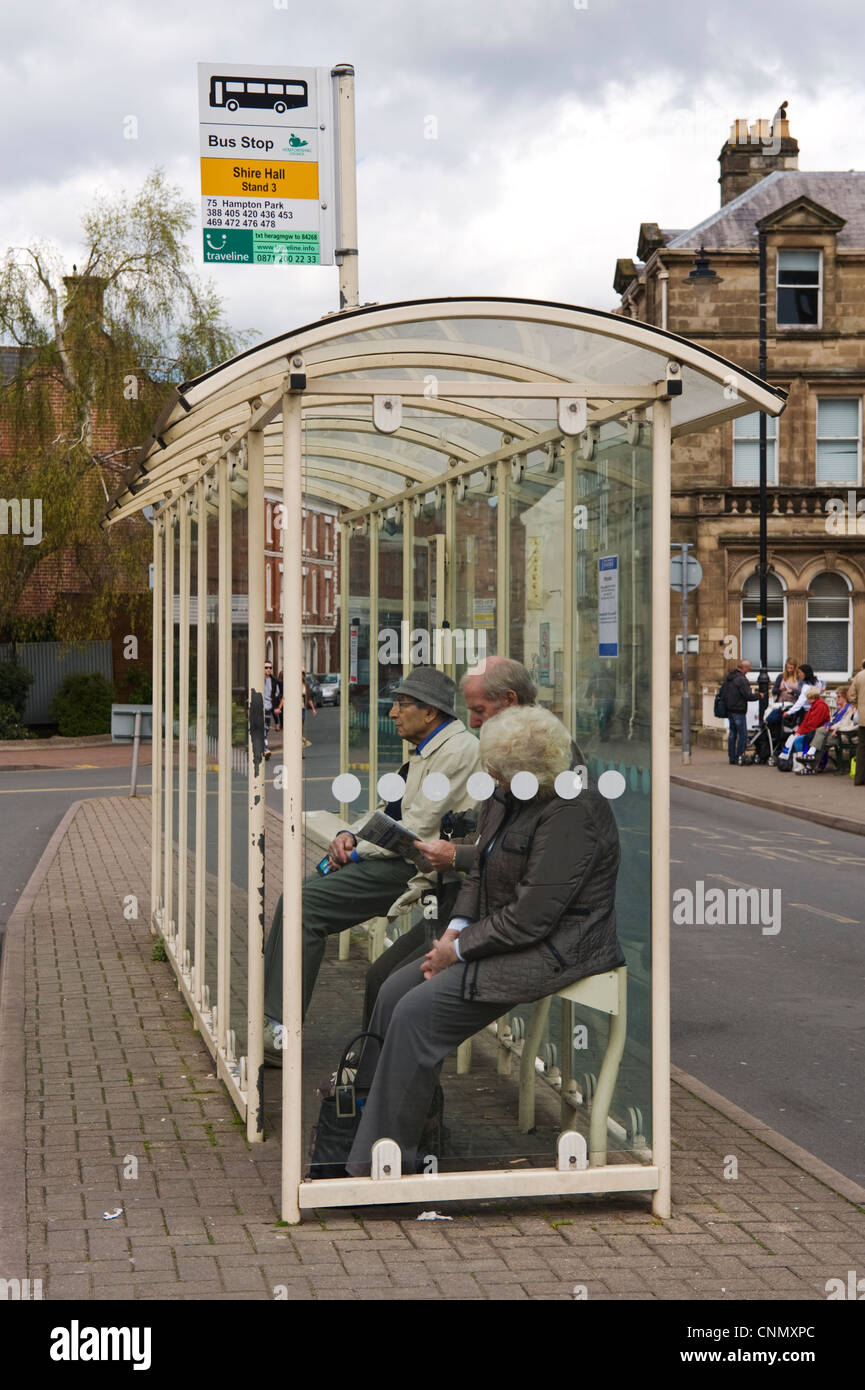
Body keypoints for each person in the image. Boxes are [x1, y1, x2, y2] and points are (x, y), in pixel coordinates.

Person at [343, 704, 624, 1178]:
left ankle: (382, 1162)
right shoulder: (507, 794)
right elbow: (479, 872)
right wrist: (452, 935)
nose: (487, 778)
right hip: (501, 934)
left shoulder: (573, 812)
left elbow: (533, 919)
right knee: (394, 990)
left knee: (416, 1011)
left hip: (558, 946)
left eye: (497, 772)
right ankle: (368, 1131)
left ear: (530, 774)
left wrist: (459, 949)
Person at [262, 667, 481, 1053]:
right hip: (402, 859)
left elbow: (418, 825)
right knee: (296, 898)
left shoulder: (458, 752)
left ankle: (281, 1029)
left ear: (429, 712)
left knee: (306, 906)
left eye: (401, 704)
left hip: (420, 869)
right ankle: (275, 1020)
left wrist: (358, 849)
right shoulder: (429, 749)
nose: (393, 713)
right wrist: (348, 836)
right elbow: (388, 808)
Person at [360, 656, 539, 1024]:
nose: (471, 721)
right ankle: (373, 1079)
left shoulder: (539, 762)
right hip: (470, 905)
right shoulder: (497, 755)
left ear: (509, 701)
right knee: (385, 979)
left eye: (477, 710)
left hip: (506, 919)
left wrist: (457, 857)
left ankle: (379, 1079)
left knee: (401, 991)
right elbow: (491, 844)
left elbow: (525, 861)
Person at [802, 685, 857, 770]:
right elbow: (832, 720)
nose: (837, 699)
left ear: (845, 697)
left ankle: (809, 763)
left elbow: (846, 723)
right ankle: (810, 763)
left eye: (839, 697)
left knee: (822, 738)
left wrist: (834, 728)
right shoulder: (839, 709)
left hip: (843, 734)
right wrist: (829, 726)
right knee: (822, 738)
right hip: (834, 733)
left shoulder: (849, 708)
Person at [719, 659, 760, 764]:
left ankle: (732, 757)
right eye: (749, 667)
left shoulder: (729, 677)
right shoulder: (742, 679)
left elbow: (722, 692)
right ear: (744, 667)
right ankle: (740, 757)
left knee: (732, 733)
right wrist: (759, 695)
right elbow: (747, 695)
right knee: (743, 734)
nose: (750, 670)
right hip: (738, 710)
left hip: (729, 709)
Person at [786, 687, 830, 763]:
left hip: (816, 732)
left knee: (800, 740)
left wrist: (801, 732)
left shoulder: (820, 706)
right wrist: (799, 732)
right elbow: (806, 722)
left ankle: (802, 761)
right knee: (798, 740)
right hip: (812, 730)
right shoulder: (814, 706)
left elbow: (814, 723)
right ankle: (800, 761)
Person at [846, 660, 865, 786]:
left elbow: (851, 695)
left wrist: (856, 705)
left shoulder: (859, 676)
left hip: (863, 717)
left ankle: (859, 778)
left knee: (862, 747)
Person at [263, 660, 276, 759]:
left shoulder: (273, 681)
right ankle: (265, 748)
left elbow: (276, 694)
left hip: (268, 708)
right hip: (260, 709)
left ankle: (263, 748)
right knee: (262, 729)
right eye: (266, 667)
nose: (268, 670)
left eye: (270, 668)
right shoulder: (258, 679)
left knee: (266, 729)